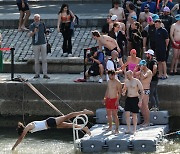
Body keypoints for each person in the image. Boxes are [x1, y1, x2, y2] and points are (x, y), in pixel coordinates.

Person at [11, 109, 94, 150]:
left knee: (67, 116)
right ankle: (84, 128)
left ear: (22, 131)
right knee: (69, 125)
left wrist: (13, 148)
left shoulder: (28, 126)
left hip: (50, 122)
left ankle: (83, 112)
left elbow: (21, 138)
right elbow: (22, 136)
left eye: (23, 133)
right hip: (50, 125)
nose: (24, 134)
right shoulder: (29, 128)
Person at [29, 14, 50, 79]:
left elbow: (45, 31)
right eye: (36, 19)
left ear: (39, 19)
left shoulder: (42, 24)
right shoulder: (32, 25)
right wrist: (34, 32)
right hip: (35, 44)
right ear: (34, 19)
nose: (37, 20)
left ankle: (45, 74)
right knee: (36, 60)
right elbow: (30, 35)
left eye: (38, 18)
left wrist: (47, 32)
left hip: (43, 43)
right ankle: (37, 74)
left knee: (44, 59)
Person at [134, 60, 152, 127]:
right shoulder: (142, 71)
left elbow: (143, 77)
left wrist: (141, 70)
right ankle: (145, 120)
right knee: (141, 107)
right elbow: (134, 74)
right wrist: (136, 68)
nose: (140, 67)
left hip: (146, 90)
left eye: (141, 65)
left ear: (144, 65)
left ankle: (147, 121)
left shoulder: (148, 71)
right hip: (140, 91)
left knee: (145, 106)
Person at [103, 70, 122, 134]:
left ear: (113, 75)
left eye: (110, 76)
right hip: (108, 99)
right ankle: (110, 126)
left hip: (114, 99)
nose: (110, 77)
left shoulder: (118, 82)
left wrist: (117, 100)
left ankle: (117, 129)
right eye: (109, 76)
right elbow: (107, 90)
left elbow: (120, 93)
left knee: (114, 115)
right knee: (108, 114)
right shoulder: (108, 81)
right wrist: (105, 98)